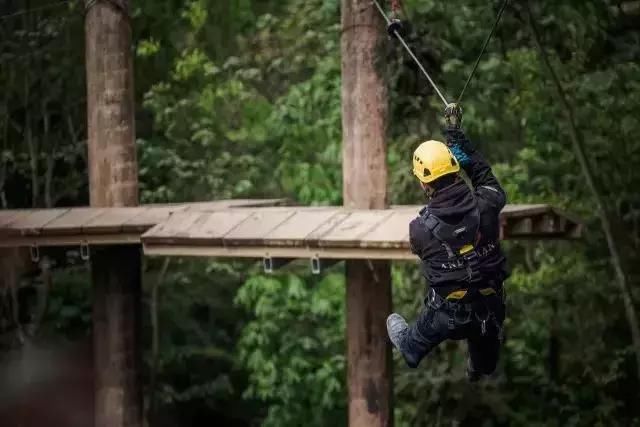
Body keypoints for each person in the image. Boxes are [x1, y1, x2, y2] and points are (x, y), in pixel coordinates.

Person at [387, 103, 509, 382]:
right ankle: (478, 366)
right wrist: (460, 145)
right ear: (455, 169)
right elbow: (483, 176)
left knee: (410, 347)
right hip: (488, 308)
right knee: (485, 357)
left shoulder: (420, 229)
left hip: (446, 316)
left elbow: (426, 253)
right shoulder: (488, 203)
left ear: (423, 184)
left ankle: (413, 348)